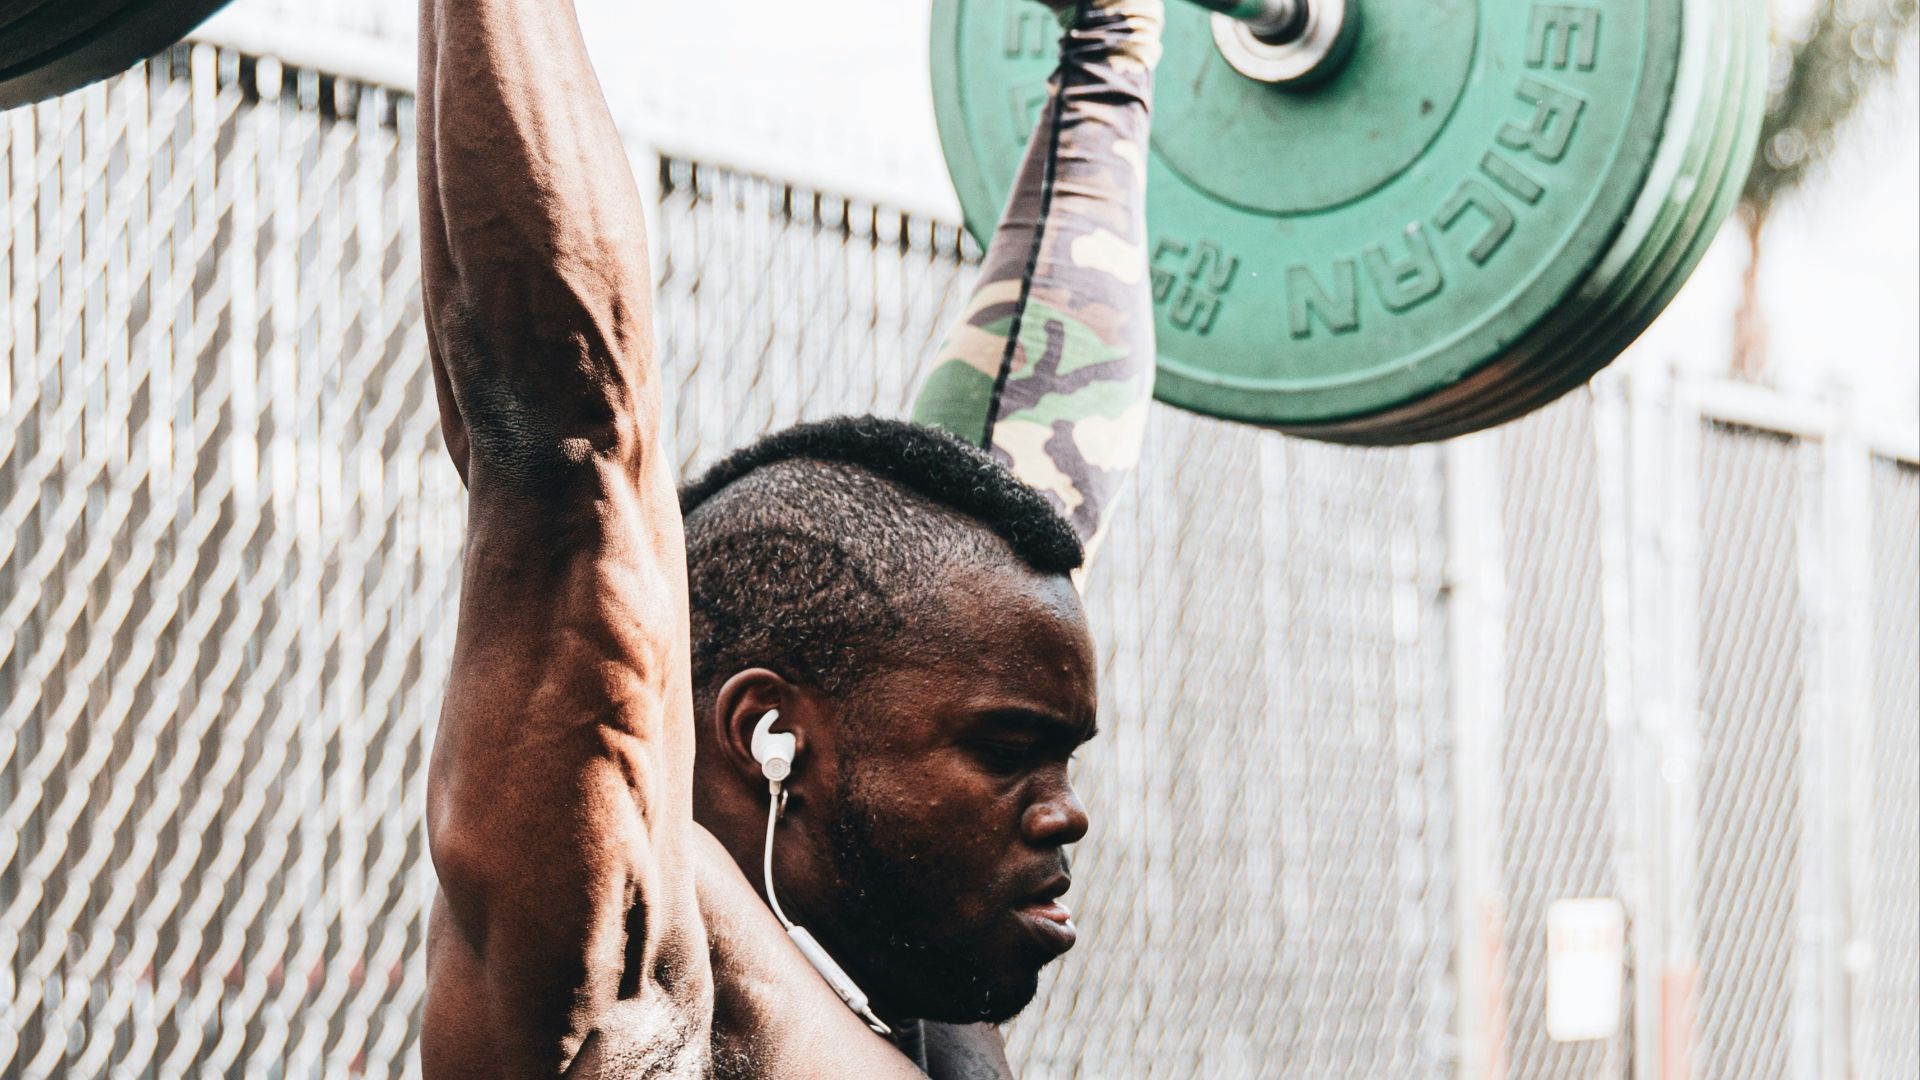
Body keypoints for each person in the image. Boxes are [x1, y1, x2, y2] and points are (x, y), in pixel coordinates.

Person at [415, 0, 1162, 1073]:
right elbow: (569, 447)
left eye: (1058, 758)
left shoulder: (908, 969)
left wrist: (1114, 52)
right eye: (1006, 754)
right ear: (773, 734)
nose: (1068, 818)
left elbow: (1044, 418)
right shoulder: (639, 978)